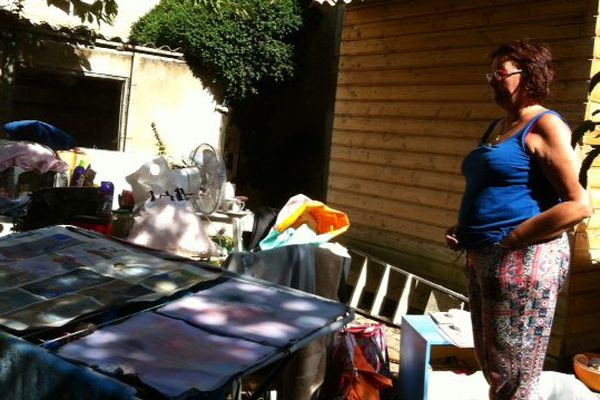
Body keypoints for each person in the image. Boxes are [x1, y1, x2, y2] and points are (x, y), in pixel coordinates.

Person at [446, 39, 592, 400]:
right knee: (494, 362)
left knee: (515, 371)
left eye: (501, 72)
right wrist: (464, 230)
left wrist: (511, 239)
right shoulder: (499, 126)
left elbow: (578, 205)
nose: (493, 80)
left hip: (522, 262)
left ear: (529, 76)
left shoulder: (546, 124)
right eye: (490, 73)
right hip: (484, 257)